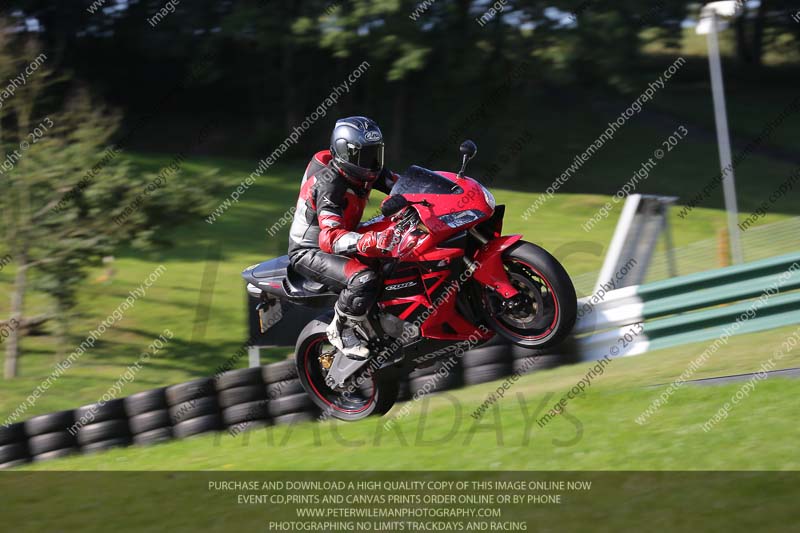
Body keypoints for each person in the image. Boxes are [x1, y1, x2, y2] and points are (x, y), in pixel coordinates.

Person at [287, 116, 399, 360]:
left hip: (346, 235)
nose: (372, 162)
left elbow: (403, 186)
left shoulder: (365, 171)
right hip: (311, 250)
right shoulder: (329, 185)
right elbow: (330, 239)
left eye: (375, 153)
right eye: (365, 155)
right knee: (363, 279)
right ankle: (340, 329)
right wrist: (370, 241)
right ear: (345, 153)